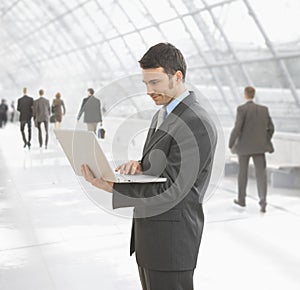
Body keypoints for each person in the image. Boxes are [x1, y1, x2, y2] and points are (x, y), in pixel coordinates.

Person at [81, 43, 217, 290]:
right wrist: (140, 166)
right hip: (153, 238)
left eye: (154, 82)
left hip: (171, 243)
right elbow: (163, 167)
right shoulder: (163, 114)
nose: (148, 91)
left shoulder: (194, 120)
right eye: (145, 84)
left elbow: (174, 189)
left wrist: (111, 187)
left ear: (177, 76)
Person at [229, 86, 275, 213]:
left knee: (242, 173)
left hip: (243, 147)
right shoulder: (264, 110)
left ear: (245, 95)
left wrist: (231, 143)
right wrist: (265, 139)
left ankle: (241, 199)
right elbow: (271, 128)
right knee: (261, 175)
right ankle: (263, 202)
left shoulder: (242, 109)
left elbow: (237, 128)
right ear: (253, 95)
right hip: (260, 147)